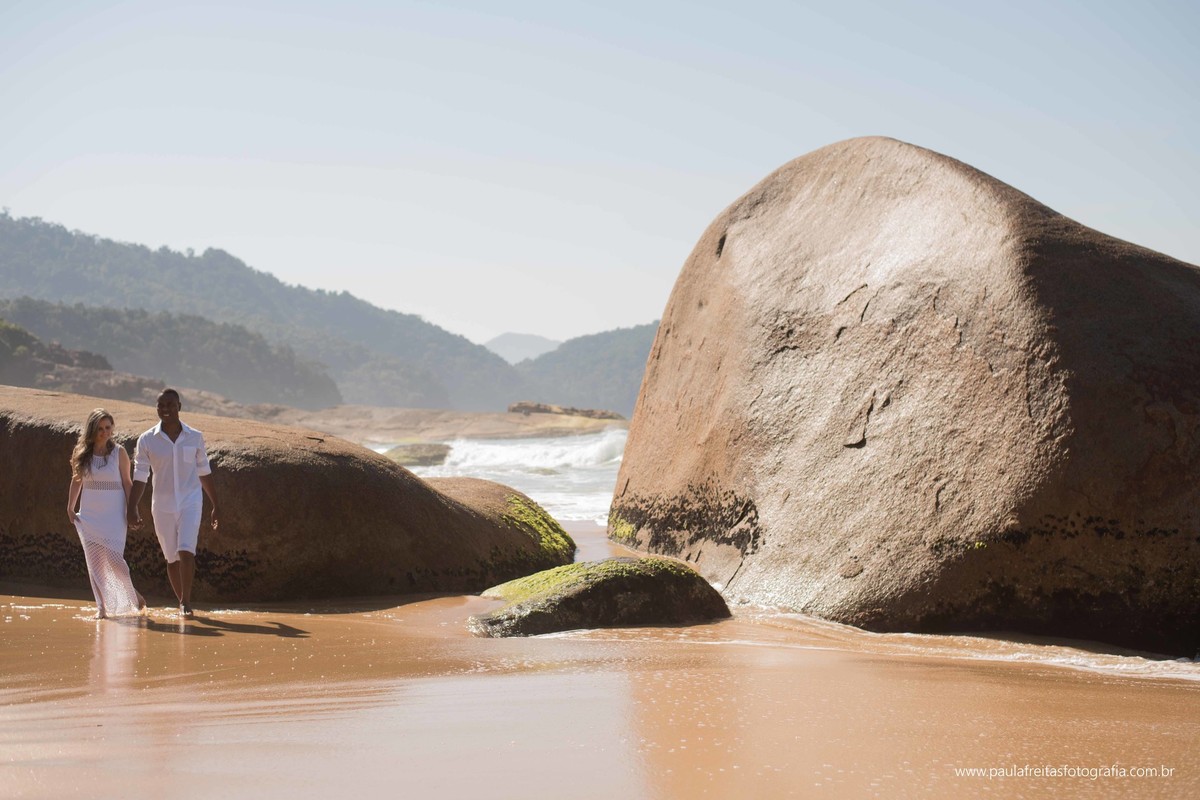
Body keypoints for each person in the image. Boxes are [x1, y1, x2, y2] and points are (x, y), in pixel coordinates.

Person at [127, 388, 219, 618]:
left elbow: (204, 471)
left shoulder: (195, 437)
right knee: (171, 558)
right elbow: (140, 476)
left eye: (170, 404)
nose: (165, 409)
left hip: (191, 502)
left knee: (186, 551)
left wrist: (216, 505)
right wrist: (132, 507)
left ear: (179, 406)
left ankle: (186, 603)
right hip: (162, 506)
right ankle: (181, 601)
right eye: (161, 405)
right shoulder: (147, 439)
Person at [67, 408, 146, 618]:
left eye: (108, 428)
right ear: (92, 430)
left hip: (114, 515)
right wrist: (70, 507)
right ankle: (101, 608)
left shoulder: (119, 453)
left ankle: (134, 596)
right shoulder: (82, 453)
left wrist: (133, 510)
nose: (104, 432)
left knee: (115, 561)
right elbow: (76, 481)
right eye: (100, 428)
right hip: (90, 515)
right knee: (95, 564)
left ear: (112, 428)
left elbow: (128, 483)